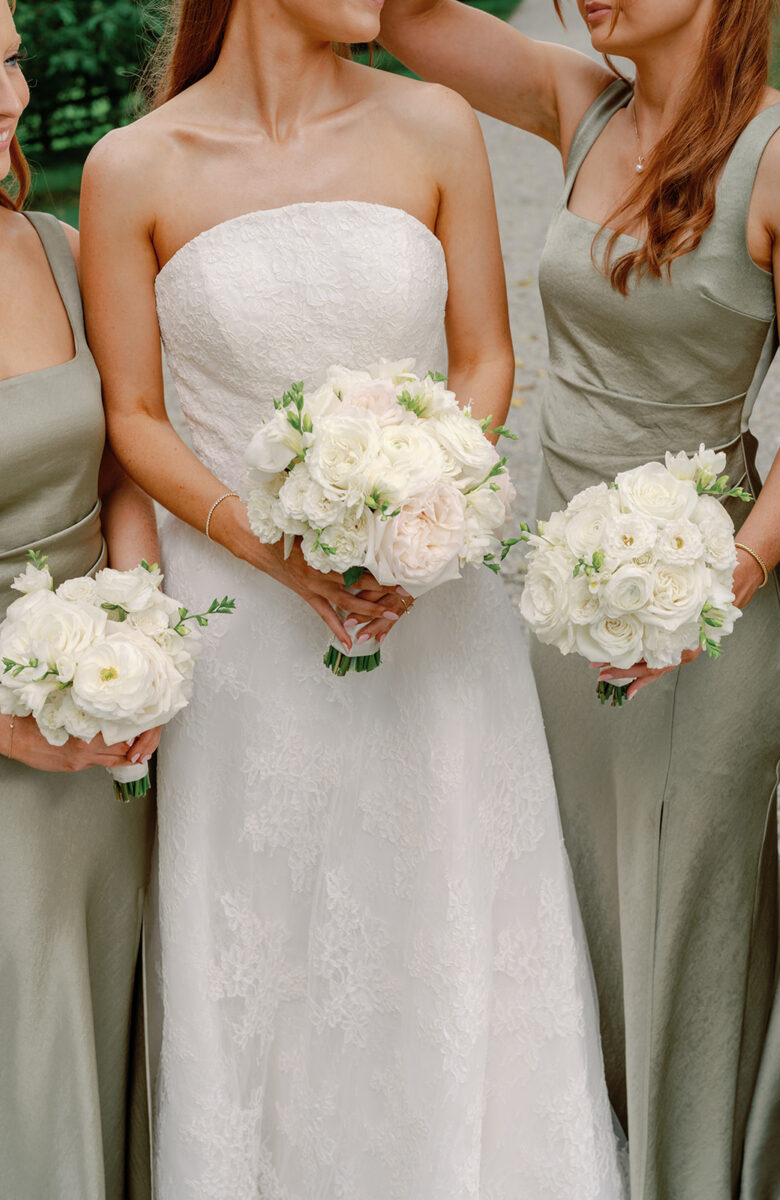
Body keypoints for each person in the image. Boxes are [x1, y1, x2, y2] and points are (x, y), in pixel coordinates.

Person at [79, 2, 629, 1197]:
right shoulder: (134, 169)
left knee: (444, 929)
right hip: (241, 647)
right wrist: (278, 555)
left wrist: (418, 507)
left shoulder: (432, 123)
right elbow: (133, 419)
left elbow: (484, 355)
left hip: (432, 621)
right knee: (264, 952)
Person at [379, 2, 780, 1197]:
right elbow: (403, 18)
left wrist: (709, 593)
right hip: (558, 609)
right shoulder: (581, 103)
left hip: (702, 613)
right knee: (567, 926)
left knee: (677, 943)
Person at [0, 2, 160, 1196]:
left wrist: (139, 629)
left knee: (113, 1003)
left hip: (104, 726)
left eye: (4, 58)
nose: (10, 98)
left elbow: (118, 469)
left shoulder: (54, 245)